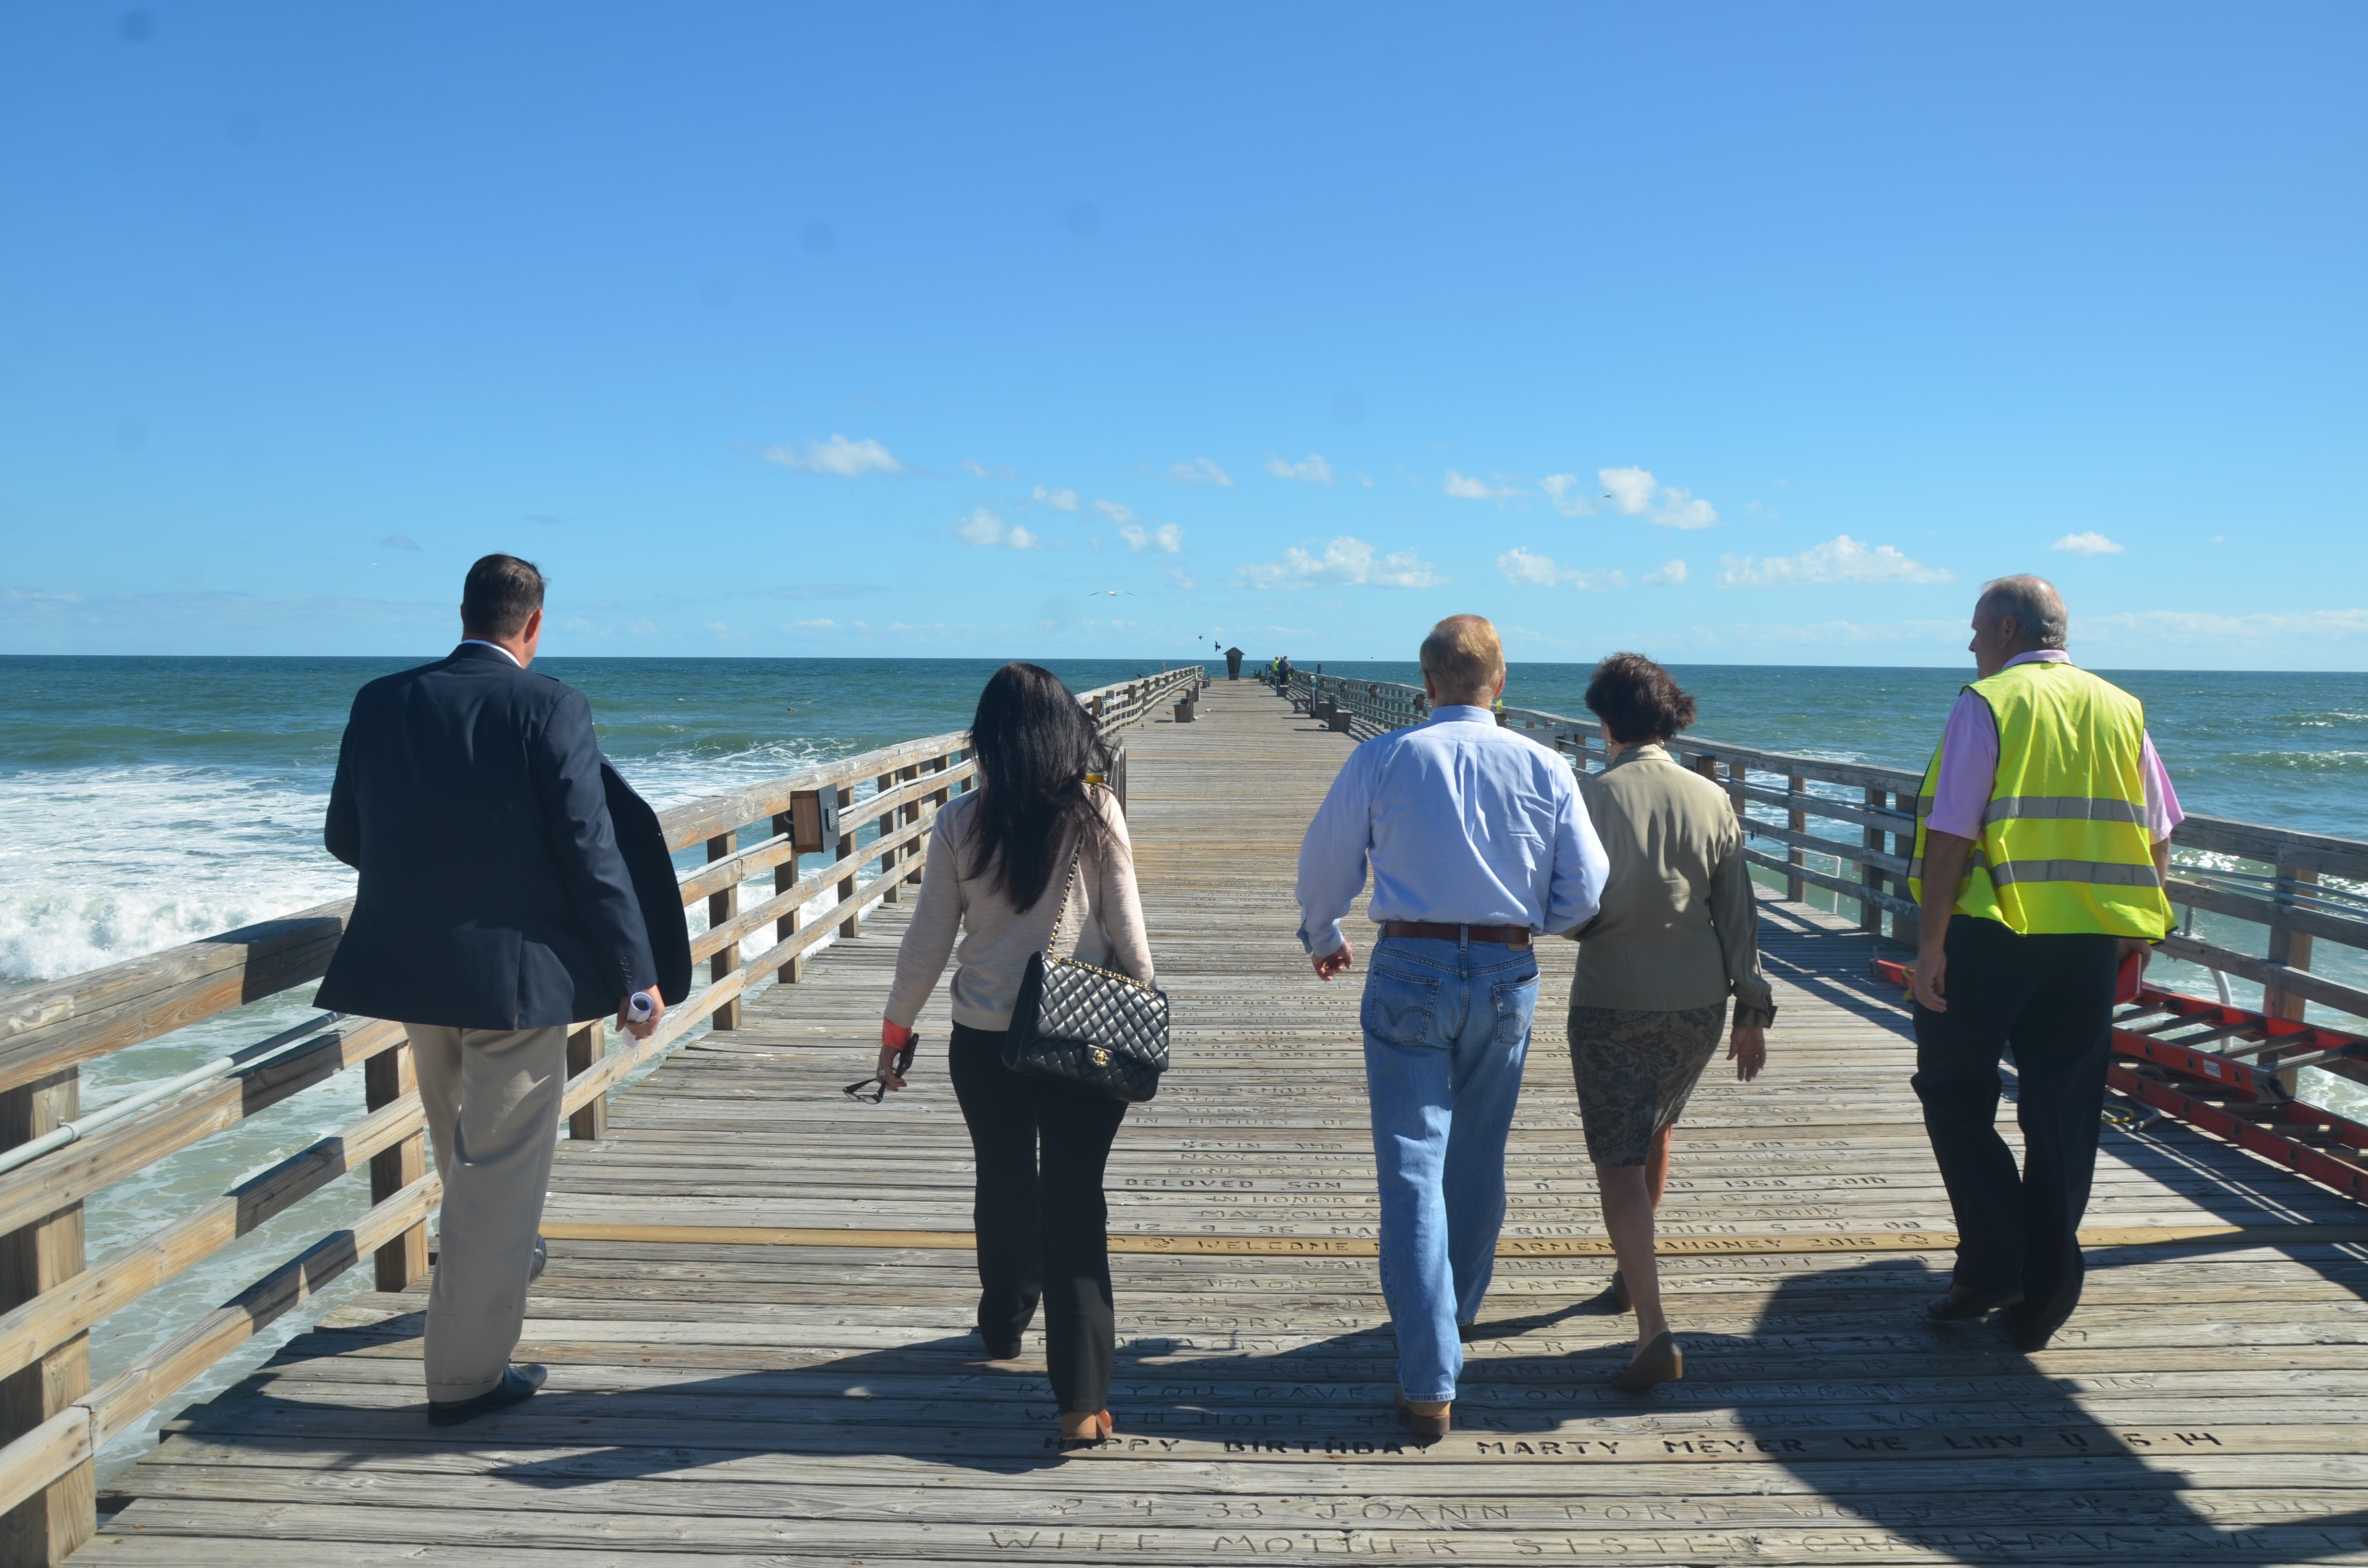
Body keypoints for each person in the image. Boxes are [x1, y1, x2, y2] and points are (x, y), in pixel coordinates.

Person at [317, 553, 683, 1427]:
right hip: (519, 982)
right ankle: (466, 1379)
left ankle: (502, 1269)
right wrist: (635, 975)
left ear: (463, 614)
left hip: (416, 972)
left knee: (465, 1160)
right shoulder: (549, 706)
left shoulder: (381, 700)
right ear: (535, 624)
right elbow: (590, 849)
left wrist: (431, 886)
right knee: (497, 1177)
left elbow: (345, 835)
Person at [1295, 615, 1608, 1440]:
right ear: (1500, 684)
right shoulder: (1546, 764)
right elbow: (1586, 888)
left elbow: (1325, 862)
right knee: (1477, 1155)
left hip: (1411, 963)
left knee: (1412, 1166)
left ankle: (1429, 1373)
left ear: (1427, 684)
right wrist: (1530, 923)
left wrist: (1324, 933)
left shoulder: (1385, 757)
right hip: (1507, 972)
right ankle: (1456, 1317)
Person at [877, 662, 1154, 1449]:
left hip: (985, 1041)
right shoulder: (1096, 813)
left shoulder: (960, 822)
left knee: (1002, 1179)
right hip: (1082, 1036)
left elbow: (928, 942)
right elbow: (1130, 936)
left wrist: (895, 1034)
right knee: (1075, 1202)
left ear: (990, 740)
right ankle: (1082, 1403)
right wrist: (1141, 1008)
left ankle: (1002, 1324)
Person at [1908, 575, 2180, 1351]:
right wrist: (2137, 931)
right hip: (2088, 942)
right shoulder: (2121, 708)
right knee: (2063, 1114)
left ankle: (1993, 1265)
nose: (1970, 644)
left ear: (2006, 629)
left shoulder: (1989, 702)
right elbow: (2159, 831)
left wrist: (1930, 947)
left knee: (1955, 1093)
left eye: (1975, 628)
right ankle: (2046, 1292)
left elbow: (1953, 832)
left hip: (1995, 931)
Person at [1563, 654, 1775, 1391]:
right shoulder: (1712, 798)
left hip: (1611, 1000)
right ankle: (1631, 1274)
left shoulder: (1590, 797)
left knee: (1617, 1161)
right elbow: (1739, 914)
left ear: (1607, 720)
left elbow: (1571, 911)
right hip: (1698, 1006)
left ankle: (1653, 1328)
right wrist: (1752, 1009)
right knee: (1655, 1129)